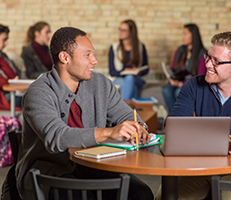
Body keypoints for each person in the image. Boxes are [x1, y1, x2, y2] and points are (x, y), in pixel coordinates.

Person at [16, 27, 154, 200]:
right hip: (51, 173)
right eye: (87, 55)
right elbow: (56, 137)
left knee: (141, 194)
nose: (94, 61)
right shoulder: (39, 92)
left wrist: (138, 127)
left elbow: (125, 115)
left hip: (94, 166)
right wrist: (108, 132)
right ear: (64, 57)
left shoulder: (101, 84)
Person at [156, 31, 231, 200]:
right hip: (198, 166)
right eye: (208, 57)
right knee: (165, 197)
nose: (208, 64)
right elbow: (174, 123)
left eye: (216, 61)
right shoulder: (193, 86)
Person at [162, 23, 206, 112]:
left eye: (185, 34)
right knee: (166, 90)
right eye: (183, 34)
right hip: (178, 81)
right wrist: (169, 70)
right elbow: (175, 68)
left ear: (193, 35)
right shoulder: (180, 50)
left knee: (179, 92)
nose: (183, 37)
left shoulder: (202, 53)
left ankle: (182, 117)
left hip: (192, 84)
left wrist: (181, 84)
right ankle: (174, 117)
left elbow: (200, 76)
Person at [108, 19, 148, 100]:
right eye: (119, 29)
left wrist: (137, 72)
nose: (120, 32)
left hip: (137, 79)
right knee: (132, 87)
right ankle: (131, 111)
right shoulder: (114, 47)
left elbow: (146, 68)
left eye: (123, 30)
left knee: (130, 78)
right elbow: (112, 72)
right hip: (119, 78)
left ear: (131, 32)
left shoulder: (140, 47)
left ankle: (122, 109)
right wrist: (125, 72)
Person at [0, 24, 21, 109]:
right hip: (3, 96)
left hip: (9, 92)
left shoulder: (3, 56)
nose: (6, 43)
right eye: (4, 40)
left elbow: (14, 75)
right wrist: (9, 81)